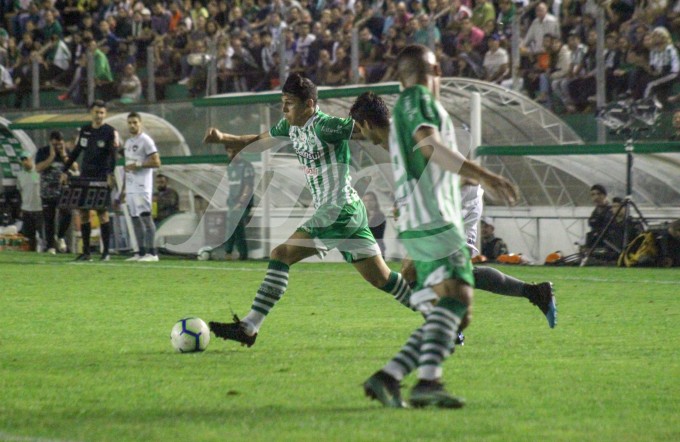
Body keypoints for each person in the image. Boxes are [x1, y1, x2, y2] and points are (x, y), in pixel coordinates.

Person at [356, 44, 518, 408]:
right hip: (434, 219)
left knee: (456, 309)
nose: (435, 79)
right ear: (419, 75)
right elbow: (430, 147)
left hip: (424, 219)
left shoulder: (411, 107)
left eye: (434, 72)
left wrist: (461, 180)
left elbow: (428, 160)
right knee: (458, 301)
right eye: (430, 72)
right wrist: (484, 175)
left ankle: (403, 378)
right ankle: (412, 379)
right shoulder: (417, 100)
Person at [203, 73, 415, 348]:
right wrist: (224, 137)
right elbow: (261, 139)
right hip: (348, 211)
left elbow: (364, 129)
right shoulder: (290, 126)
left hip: (336, 209)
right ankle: (445, 323)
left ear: (309, 105)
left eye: (289, 103)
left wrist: (398, 136)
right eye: (283, 102)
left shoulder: (325, 126)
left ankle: (250, 325)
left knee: (281, 253)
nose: (283, 109)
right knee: (383, 279)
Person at [349, 91, 557, 333]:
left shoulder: (405, 136)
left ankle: (448, 325)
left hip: (455, 199)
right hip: (451, 199)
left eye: (358, 128)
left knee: (411, 271)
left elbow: (443, 159)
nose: (359, 134)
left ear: (366, 124)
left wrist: (482, 176)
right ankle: (535, 292)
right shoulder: (396, 138)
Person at [60, 100, 120, 261]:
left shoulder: (110, 132)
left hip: (101, 176)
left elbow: (113, 155)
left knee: (102, 213)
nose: (99, 115)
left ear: (105, 114)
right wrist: (64, 170)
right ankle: (86, 253)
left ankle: (106, 252)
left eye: (102, 112)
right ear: (91, 113)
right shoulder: (85, 131)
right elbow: (76, 151)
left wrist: (110, 174)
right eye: (96, 112)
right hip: (86, 175)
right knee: (83, 212)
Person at [122, 112, 161, 262]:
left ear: (140, 123)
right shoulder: (128, 142)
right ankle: (140, 252)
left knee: (146, 218)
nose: (132, 125)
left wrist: (139, 165)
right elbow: (128, 167)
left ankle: (152, 253)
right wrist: (123, 189)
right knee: (135, 219)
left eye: (135, 122)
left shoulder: (146, 140)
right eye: (130, 122)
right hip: (131, 187)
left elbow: (157, 162)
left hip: (142, 186)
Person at [35, 130, 76, 254]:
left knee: (67, 213)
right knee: (49, 218)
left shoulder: (66, 152)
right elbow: (38, 168)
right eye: (54, 145)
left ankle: (60, 236)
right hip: (47, 191)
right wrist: (51, 157)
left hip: (63, 190)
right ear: (50, 143)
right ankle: (50, 246)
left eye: (59, 144)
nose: (57, 147)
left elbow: (75, 167)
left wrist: (64, 155)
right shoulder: (43, 152)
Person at [224, 145, 255, 260]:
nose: (232, 154)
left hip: (244, 202)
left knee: (237, 224)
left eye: (234, 152)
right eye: (229, 151)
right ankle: (230, 253)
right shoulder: (230, 166)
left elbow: (248, 186)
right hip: (232, 202)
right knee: (232, 226)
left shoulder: (246, 166)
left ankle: (240, 254)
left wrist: (241, 202)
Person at [16, 154, 43, 252]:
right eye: (22, 160)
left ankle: (47, 250)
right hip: (27, 209)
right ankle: (32, 252)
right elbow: (20, 191)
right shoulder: (20, 175)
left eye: (26, 159)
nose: (24, 162)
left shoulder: (36, 173)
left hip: (39, 209)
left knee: (42, 234)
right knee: (29, 236)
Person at [585, 183, 611, 249]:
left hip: (609, 246)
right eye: (593, 195)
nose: (596, 197)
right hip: (595, 246)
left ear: (604, 195)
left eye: (599, 194)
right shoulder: (594, 213)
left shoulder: (611, 211)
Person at [362, 191, 386, 256]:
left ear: (375, 202)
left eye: (370, 200)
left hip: (376, 248)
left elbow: (377, 234)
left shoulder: (380, 216)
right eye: (365, 200)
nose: (368, 203)